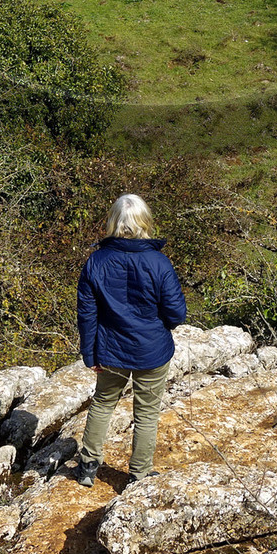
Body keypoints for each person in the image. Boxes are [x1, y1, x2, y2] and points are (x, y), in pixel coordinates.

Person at [72, 194, 186, 488]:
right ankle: (139, 475)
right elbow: (176, 313)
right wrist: (159, 327)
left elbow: (87, 314)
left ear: (113, 222)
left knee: (102, 404)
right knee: (146, 414)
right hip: (151, 350)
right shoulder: (159, 262)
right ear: (144, 223)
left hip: (109, 350)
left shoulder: (95, 261)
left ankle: (87, 468)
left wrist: (90, 354)